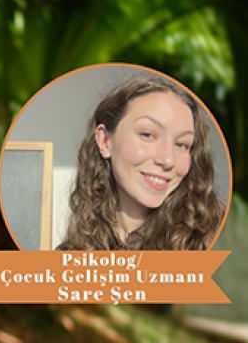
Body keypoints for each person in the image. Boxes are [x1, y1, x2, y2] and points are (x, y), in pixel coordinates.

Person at [57, 74, 225, 251]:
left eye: (182, 144)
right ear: (105, 141)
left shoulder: (217, 240)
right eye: (147, 135)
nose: (168, 160)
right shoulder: (70, 254)